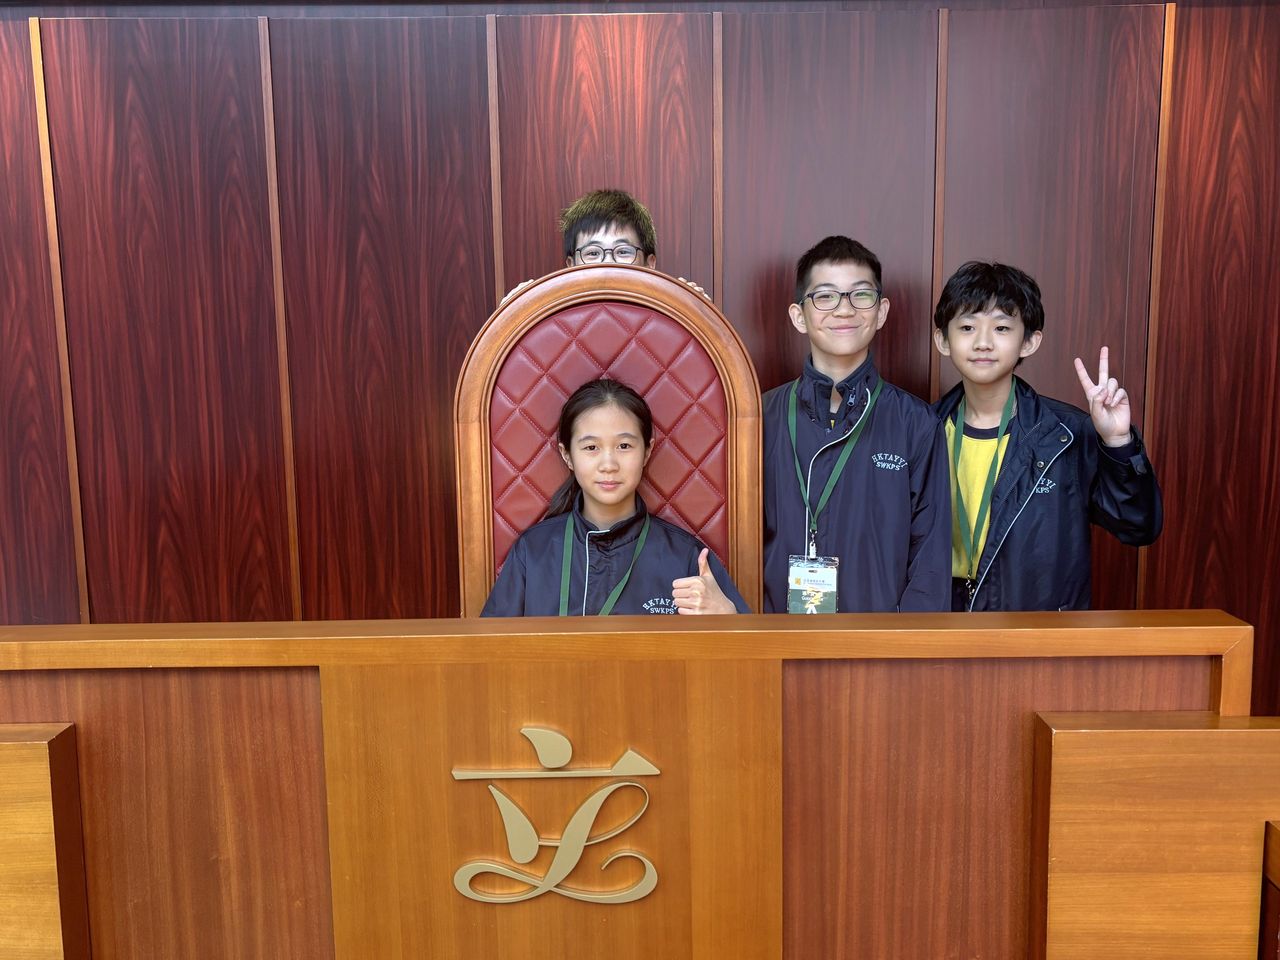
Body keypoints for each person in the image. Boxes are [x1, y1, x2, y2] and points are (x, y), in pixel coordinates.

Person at [931, 261, 1163, 611]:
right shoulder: (922, 431)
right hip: (942, 627)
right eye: (967, 327)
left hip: (1037, 632)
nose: (983, 342)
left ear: (1029, 341)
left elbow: (1139, 527)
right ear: (943, 340)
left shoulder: (1065, 435)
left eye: (1001, 328)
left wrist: (1118, 443)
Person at [762, 236, 950, 613]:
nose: (844, 310)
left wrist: (905, 643)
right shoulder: (761, 416)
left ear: (881, 312)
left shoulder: (916, 423)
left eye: (860, 295)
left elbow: (930, 560)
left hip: (879, 642)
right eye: (825, 296)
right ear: (799, 316)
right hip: (776, 635)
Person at [482, 378, 748, 616]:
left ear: (646, 452)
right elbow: (489, 649)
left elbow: (747, 650)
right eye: (591, 447)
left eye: (624, 446)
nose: (608, 464)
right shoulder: (532, 552)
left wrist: (728, 617)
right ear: (567, 455)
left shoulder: (685, 555)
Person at [502, 188, 707, 301]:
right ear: (571, 265)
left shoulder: (674, 315)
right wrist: (513, 312)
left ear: (649, 263)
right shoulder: (546, 319)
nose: (608, 263)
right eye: (592, 253)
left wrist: (698, 311)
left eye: (623, 251)